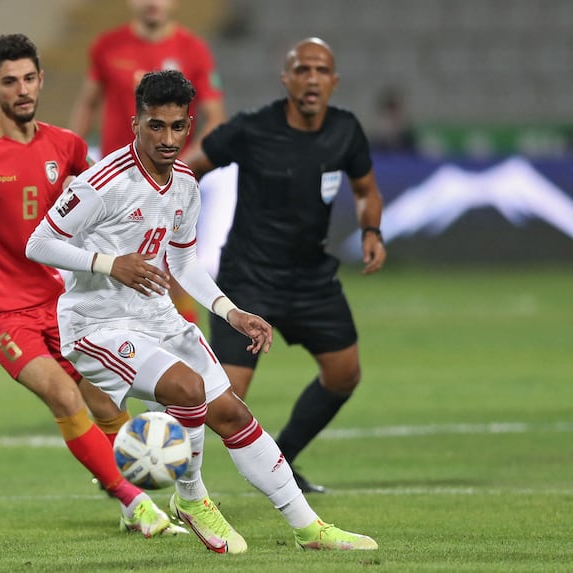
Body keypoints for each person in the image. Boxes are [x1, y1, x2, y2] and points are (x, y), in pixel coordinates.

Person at [27, 69, 378, 554]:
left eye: (176, 127)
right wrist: (111, 264)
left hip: (157, 318)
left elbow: (183, 261)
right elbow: (39, 242)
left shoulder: (186, 185)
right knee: (187, 390)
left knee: (232, 413)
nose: (167, 138)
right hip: (98, 325)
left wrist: (230, 312)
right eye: (155, 126)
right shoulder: (103, 182)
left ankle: (309, 529)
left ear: (189, 126)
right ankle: (191, 498)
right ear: (135, 123)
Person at [0, 33, 183, 538]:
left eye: (28, 78)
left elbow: (104, 207)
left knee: (107, 401)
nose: (21, 89)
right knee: (64, 396)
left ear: (41, 80)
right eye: (8, 82)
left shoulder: (65, 146)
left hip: (60, 304)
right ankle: (135, 503)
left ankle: (125, 482)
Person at [186, 37, 387, 494]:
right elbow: (190, 167)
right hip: (249, 278)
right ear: (286, 79)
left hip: (311, 278)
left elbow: (364, 189)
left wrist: (371, 230)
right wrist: (168, 216)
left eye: (320, 71)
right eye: (302, 70)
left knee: (344, 374)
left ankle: (284, 458)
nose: (311, 78)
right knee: (224, 400)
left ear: (334, 81)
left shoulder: (345, 131)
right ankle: (169, 465)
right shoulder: (253, 128)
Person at [68, 0, 226, 323]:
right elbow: (87, 104)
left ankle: (186, 347)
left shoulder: (193, 50)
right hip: (115, 184)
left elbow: (215, 119)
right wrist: (71, 159)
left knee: (174, 269)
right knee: (104, 276)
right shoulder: (107, 46)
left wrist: (183, 166)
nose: (153, 2)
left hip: (166, 182)